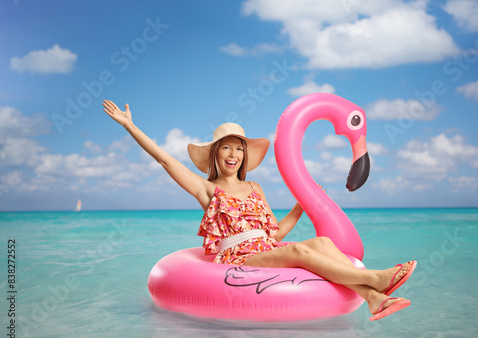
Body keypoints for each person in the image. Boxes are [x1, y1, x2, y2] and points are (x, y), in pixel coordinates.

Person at [103, 100, 416, 321]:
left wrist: (299, 207)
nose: (234, 154)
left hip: (266, 247)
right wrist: (130, 125)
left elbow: (273, 233)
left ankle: (374, 299)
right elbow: (165, 160)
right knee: (301, 255)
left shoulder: (256, 189)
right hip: (240, 258)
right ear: (215, 153)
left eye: (239, 148)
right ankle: (376, 278)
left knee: (322, 244)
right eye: (226, 147)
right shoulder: (209, 189)